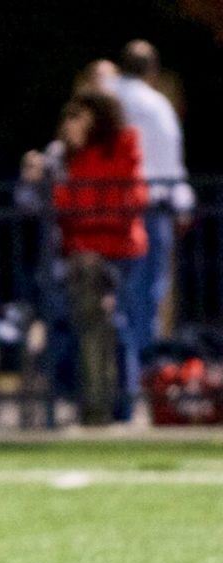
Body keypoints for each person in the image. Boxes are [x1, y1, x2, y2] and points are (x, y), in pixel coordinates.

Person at [50, 90, 148, 424]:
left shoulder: (121, 144)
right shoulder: (69, 155)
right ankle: (102, 405)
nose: (72, 125)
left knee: (111, 327)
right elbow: (63, 206)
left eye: (81, 117)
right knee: (94, 325)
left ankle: (105, 406)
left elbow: (128, 200)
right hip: (82, 256)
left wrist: (87, 224)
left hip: (119, 251)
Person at [109, 40, 195, 359]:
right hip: (149, 209)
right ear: (152, 72)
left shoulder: (107, 98)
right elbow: (170, 163)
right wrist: (183, 205)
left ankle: (116, 372)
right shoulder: (158, 106)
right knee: (145, 293)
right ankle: (142, 368)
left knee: (113, 294)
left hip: (101, 209)